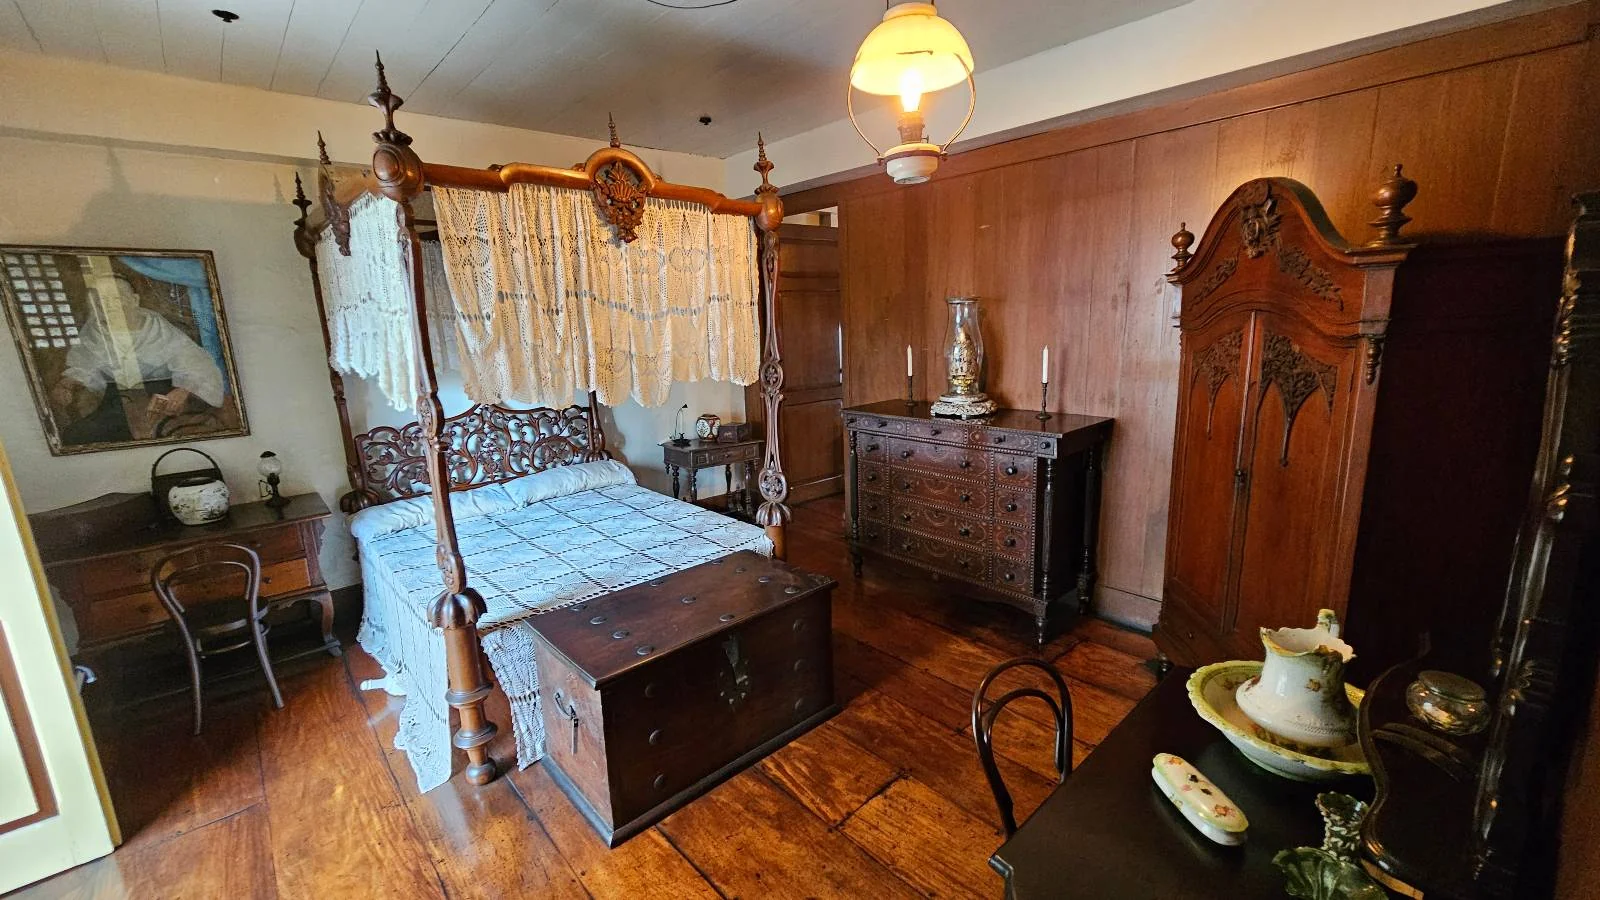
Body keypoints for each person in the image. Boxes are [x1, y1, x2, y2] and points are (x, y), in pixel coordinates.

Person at [48, 273, 225, 444]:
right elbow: (83, 366)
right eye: (103, 301)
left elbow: (197, 364)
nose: (109, 306)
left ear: (134, 300)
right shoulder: (95, 330)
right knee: (78, 435)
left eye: (116, 299)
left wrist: (183, 390)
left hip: (160, 397)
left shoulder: (159, 329)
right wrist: (67, 384)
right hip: (117, 401)